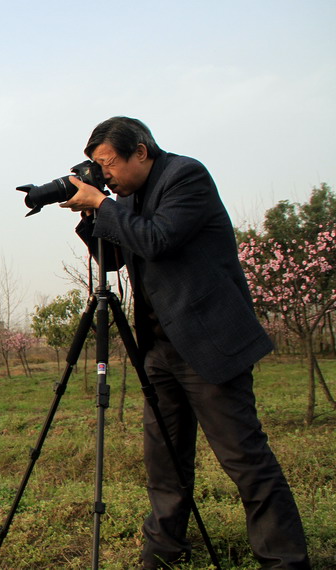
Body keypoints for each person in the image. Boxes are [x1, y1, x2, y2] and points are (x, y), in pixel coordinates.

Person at [62, 117, 310, 569]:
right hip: (158, 349)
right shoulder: (126, 198)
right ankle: (164, 552)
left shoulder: (185, 177)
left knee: (245, 461)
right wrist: (93, 214)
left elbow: (157, 240)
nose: (106, 175)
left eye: (108, 163)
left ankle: (285, 561)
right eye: (99, 167)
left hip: (208, 344)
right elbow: (115, 258)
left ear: (140, 150)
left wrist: (104, 203)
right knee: (165, 463)